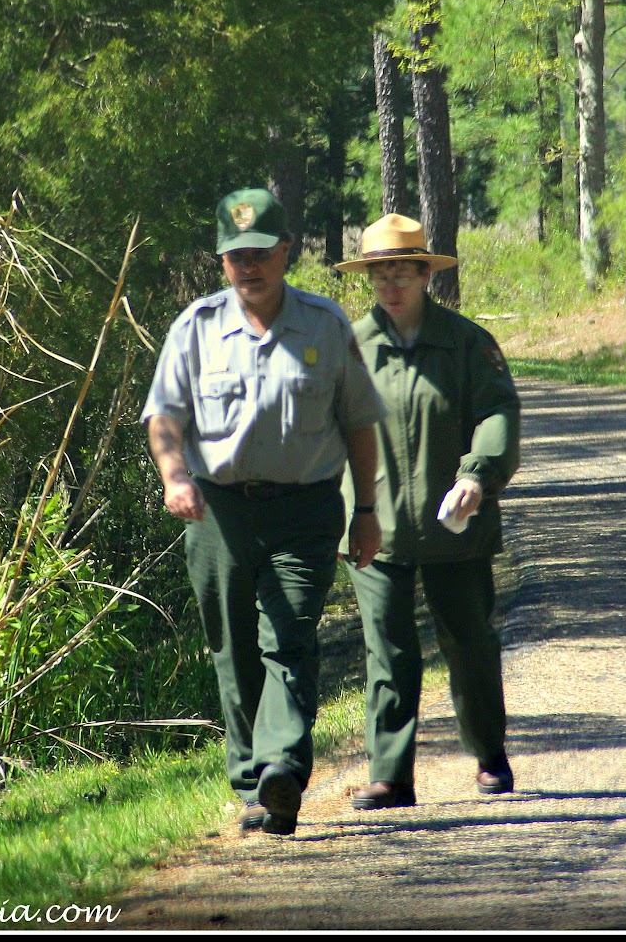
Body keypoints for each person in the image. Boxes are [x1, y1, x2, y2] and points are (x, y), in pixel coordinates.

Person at [142, 188, 384, 836]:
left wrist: (366, 508)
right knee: (235, 647)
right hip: (218, 509)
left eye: (259, 253)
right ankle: (255, 784)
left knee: (290, 634)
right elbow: (164, 415)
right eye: (234, 255)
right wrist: (174, 478)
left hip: (305, 509)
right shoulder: (194, 328)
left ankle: (280, 766)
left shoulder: (326, 325)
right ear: (221, 261)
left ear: (287, 252)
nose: (247, 266)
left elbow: (359, 422)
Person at [332, 213, 522, 808]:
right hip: (373, 526)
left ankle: (489, 753)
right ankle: (391, 774)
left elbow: (499, 415)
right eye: (379, 273)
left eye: (402, 272)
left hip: (455, 524)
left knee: (468, 642)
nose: (391, 284)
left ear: (424, 274)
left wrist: (478, 475)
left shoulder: (468, 344)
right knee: (386, 647)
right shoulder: (349, 347)